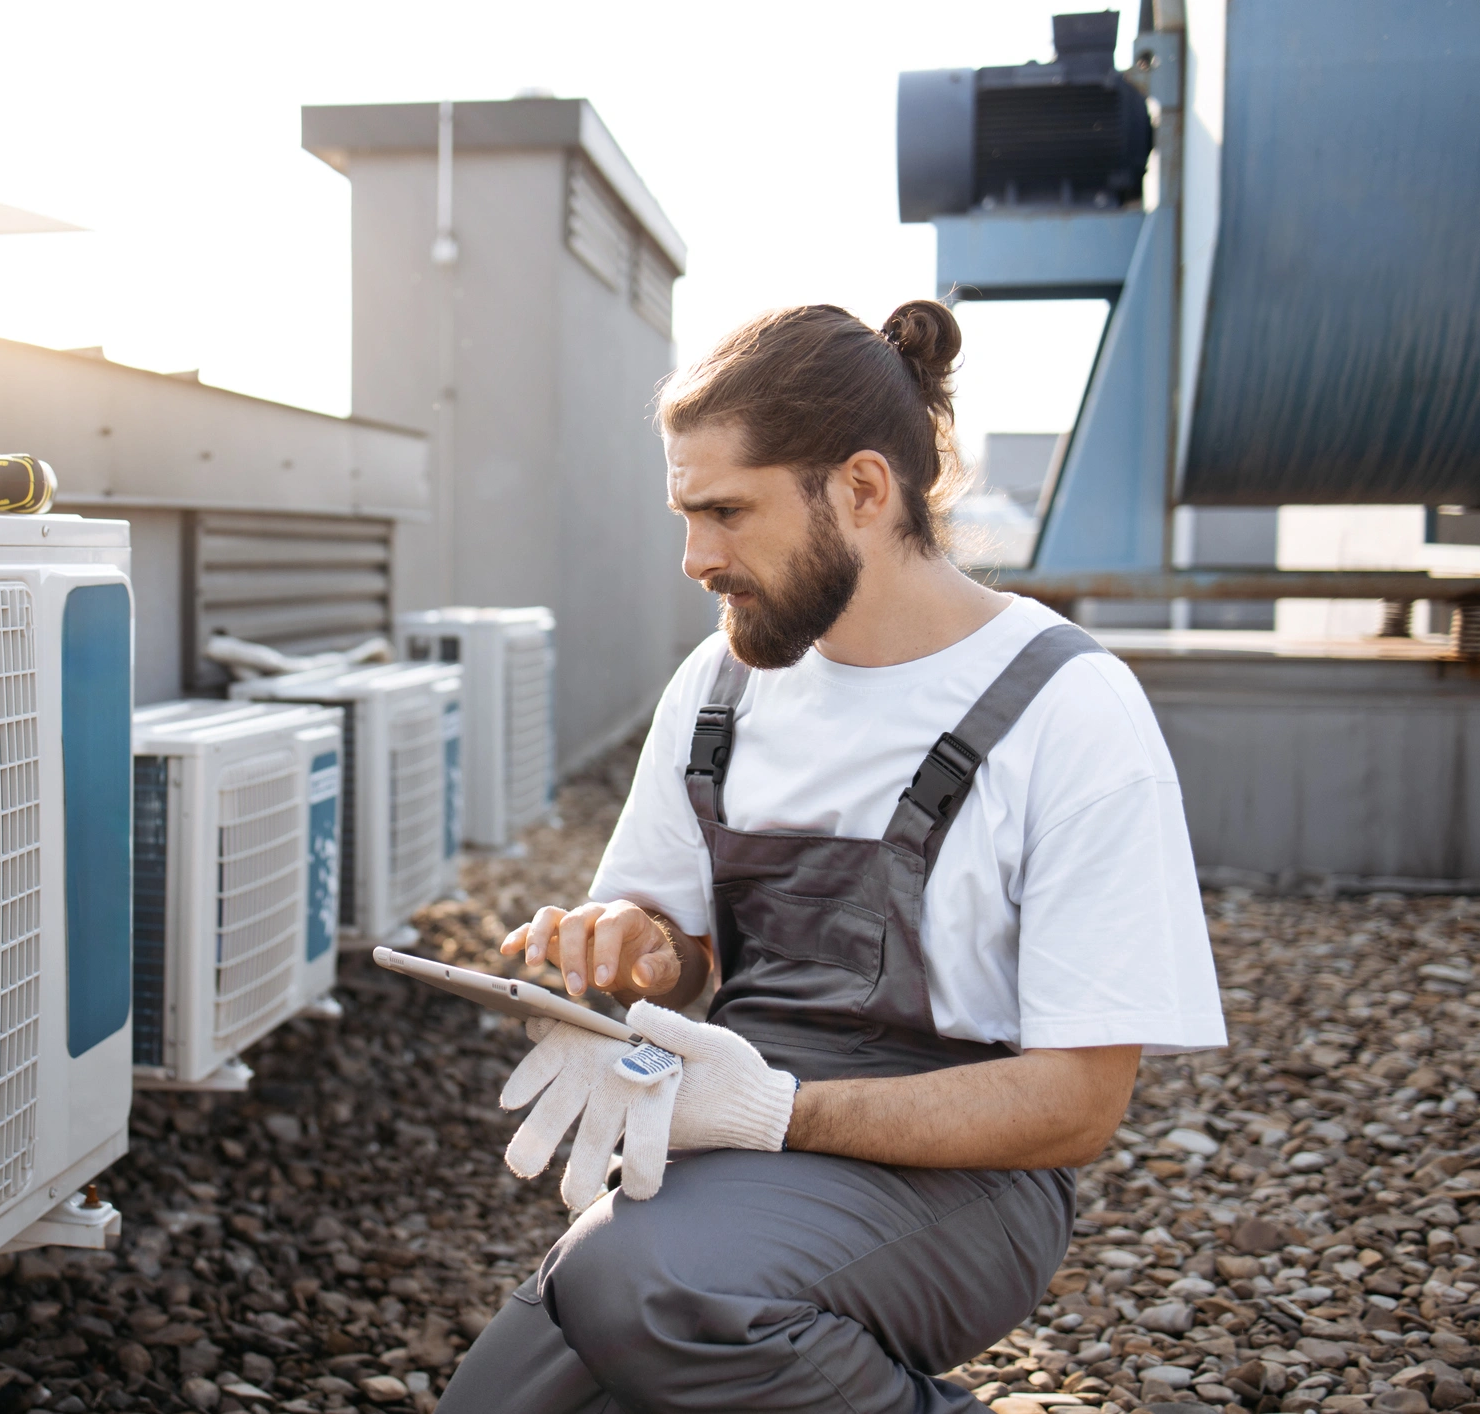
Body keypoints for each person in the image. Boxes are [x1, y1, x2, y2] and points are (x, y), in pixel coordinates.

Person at [436, 301, 1226, 1413]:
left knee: (648, 1292)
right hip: (741, 1149)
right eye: (684, 514)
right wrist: (637, 951)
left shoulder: (1070, 708)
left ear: (863, 489)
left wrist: (771, 1111)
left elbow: (1078, 1106)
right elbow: (682, 951)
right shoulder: (716, 690)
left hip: (966, 1183)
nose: (696, 559)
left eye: (726, 512)